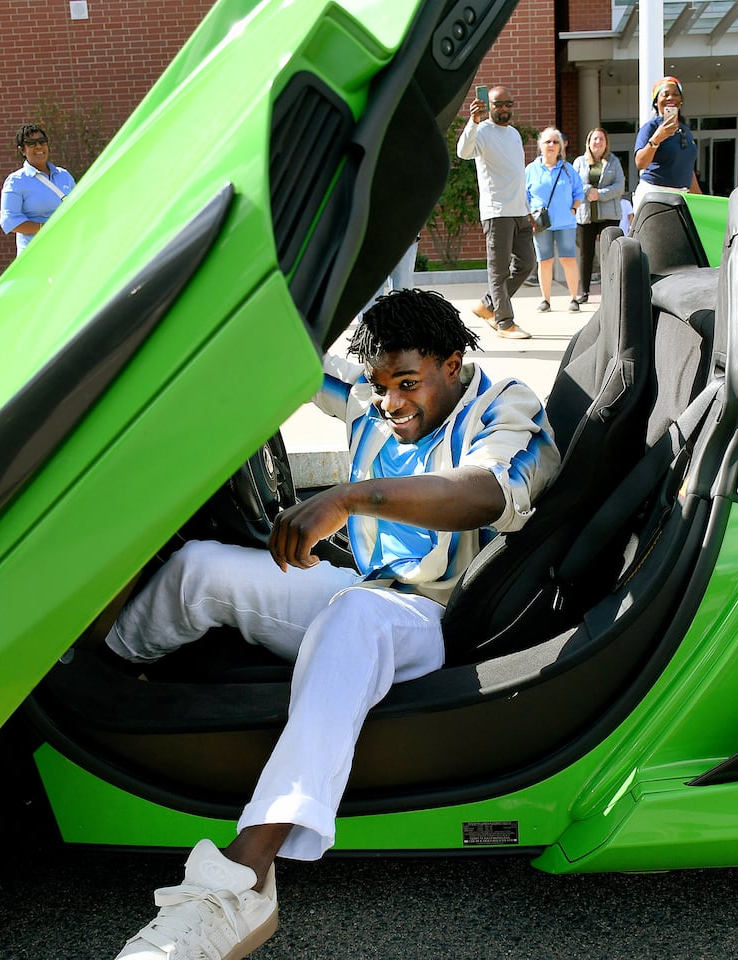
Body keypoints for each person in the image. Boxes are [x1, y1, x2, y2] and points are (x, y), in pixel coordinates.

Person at [106, 288, 559, 960]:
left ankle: (242, 879)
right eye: (380, 386)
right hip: (365, 583)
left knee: (352, 619)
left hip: (435, 612)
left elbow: (481, 495)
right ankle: (94, 682)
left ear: (454, 364)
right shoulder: (370, 393)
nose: (391, 403)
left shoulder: (509, 410)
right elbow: (280, 364)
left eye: (409, 384)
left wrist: (348, 498)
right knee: (202, 568)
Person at [456, 84, 535, 339]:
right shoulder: (482, 131)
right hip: (496, 212)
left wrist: (527, 208)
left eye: (508, 104)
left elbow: (516, 175)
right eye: (498, 104)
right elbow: (463, 152)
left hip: (519, 210)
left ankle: (487, 305)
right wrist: (473, 122)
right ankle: (504, 322)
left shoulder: (513, 134)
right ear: (488, 105)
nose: (503, 108)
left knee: (526, 264)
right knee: (499, 271)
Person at [526, 127, 585, 314]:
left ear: (560, 147)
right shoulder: (531, 170)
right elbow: (523, 195)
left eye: (555, 142)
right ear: (540, 146)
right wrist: (528, 216)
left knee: (568, 259)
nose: (551, 145)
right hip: (540, 224)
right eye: (547, 142)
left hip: (566, 222)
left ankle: (574, 298)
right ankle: (545, 300)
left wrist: (574, 208)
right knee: (545, 261)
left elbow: (579, 191)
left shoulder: (568, 169)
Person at [0, 124, 76, 254]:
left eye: (42, 142)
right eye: (31, 143)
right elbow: (9, 221)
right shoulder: (16, 181)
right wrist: (47, 228)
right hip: (36, 255)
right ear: (22, 150)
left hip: (68, 250)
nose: (38, 146)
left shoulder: (64, 175)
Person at [571, 127, 625, 304]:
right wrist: (589, 191)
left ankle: (611, 292)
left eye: (601, 139)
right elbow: (574, 183)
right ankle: (584, 292)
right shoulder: (579, 162)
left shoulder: (613, 161)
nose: (598, 142)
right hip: (586, 216)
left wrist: (599, 194)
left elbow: (619, 186)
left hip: (609, 216)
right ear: (589, 142)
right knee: (586, 254)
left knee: (610, 253)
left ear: (606, 143)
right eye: (595, 139)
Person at [633, 77, 701, 212]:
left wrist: (700, 199)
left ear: (681, 101)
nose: (671, 98)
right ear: (656, 102)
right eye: (665, 94)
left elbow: (687, 167)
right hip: (655, 195)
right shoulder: (651, 127)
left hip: (681, 197)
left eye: (675, 94)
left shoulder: (685, 129)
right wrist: (657, 138)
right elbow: (640, 163)